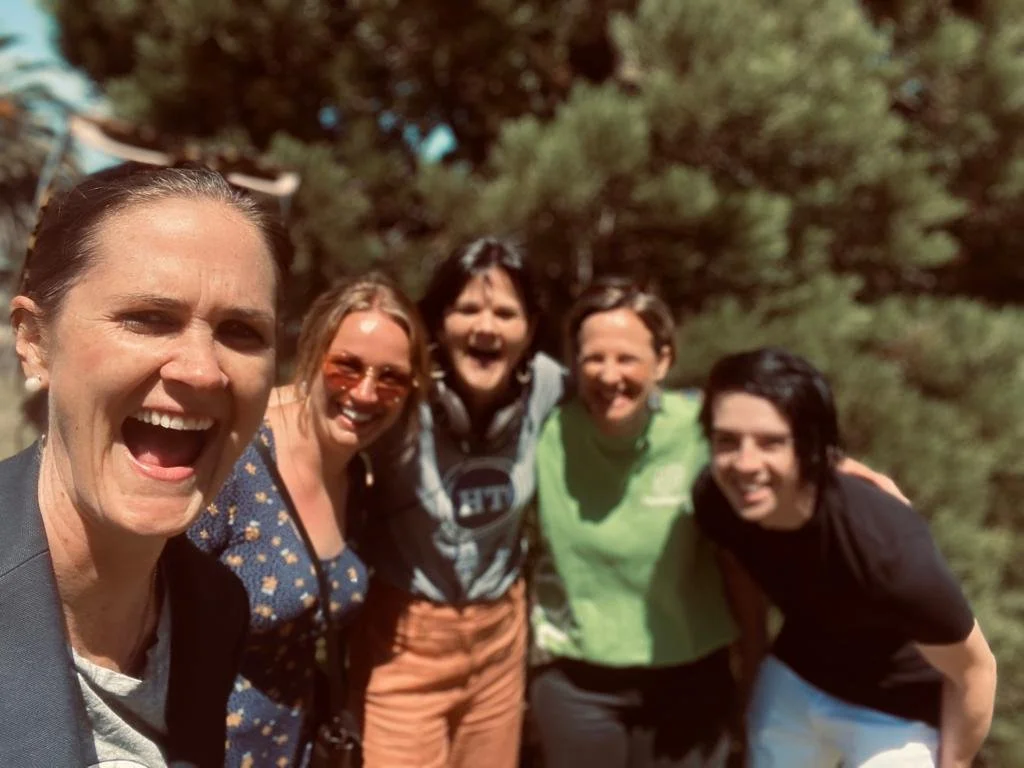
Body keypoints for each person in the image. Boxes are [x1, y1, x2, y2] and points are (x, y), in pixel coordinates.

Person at [1, 161, 285, 766]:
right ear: (35, 342)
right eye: (149, 318)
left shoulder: (215, 608)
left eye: (241, 330)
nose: (202, 370)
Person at [693, 347, 998, 768]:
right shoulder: (717, 500)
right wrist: (752, 669)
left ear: (808, 446)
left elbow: (975, 670)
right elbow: (739, 569)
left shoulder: (885, 546)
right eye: (727, 441)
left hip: (896, 707)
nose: (744, 464)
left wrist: (955, 764)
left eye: (770, 442)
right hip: (798, 677)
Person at [188, 274, 431, 767]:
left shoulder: (358, 477)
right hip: (202, 747)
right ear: (314, 351)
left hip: (294, 747)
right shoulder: (236, 455)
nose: (365, 393)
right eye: (347, 366)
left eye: (391, 378)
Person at [348, 238, 565, 768]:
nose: (486, 327)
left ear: (530, 329)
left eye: (506, 313)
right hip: (404, 645)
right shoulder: (399, 393)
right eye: (467, 309)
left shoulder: (547, 387)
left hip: (499, 643)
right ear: (439, 324)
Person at [528, 278, 738, 768]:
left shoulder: (701, 430)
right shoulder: (544, 433)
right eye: (593, 358)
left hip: (690, 679)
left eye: (627, 358)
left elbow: (779, 467)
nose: (609, 375)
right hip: (576, 682)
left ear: (662, 361)